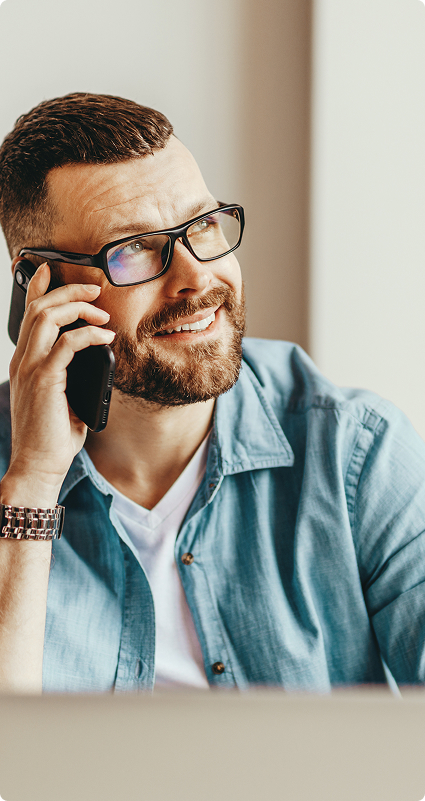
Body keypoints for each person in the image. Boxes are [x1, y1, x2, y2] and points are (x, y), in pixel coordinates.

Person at [0, 93, 424, 694]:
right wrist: (34, 484)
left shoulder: (358, 454)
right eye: (134, 248)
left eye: (203, 224)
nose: (198, 276)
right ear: (40, 286)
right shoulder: (13, 477)